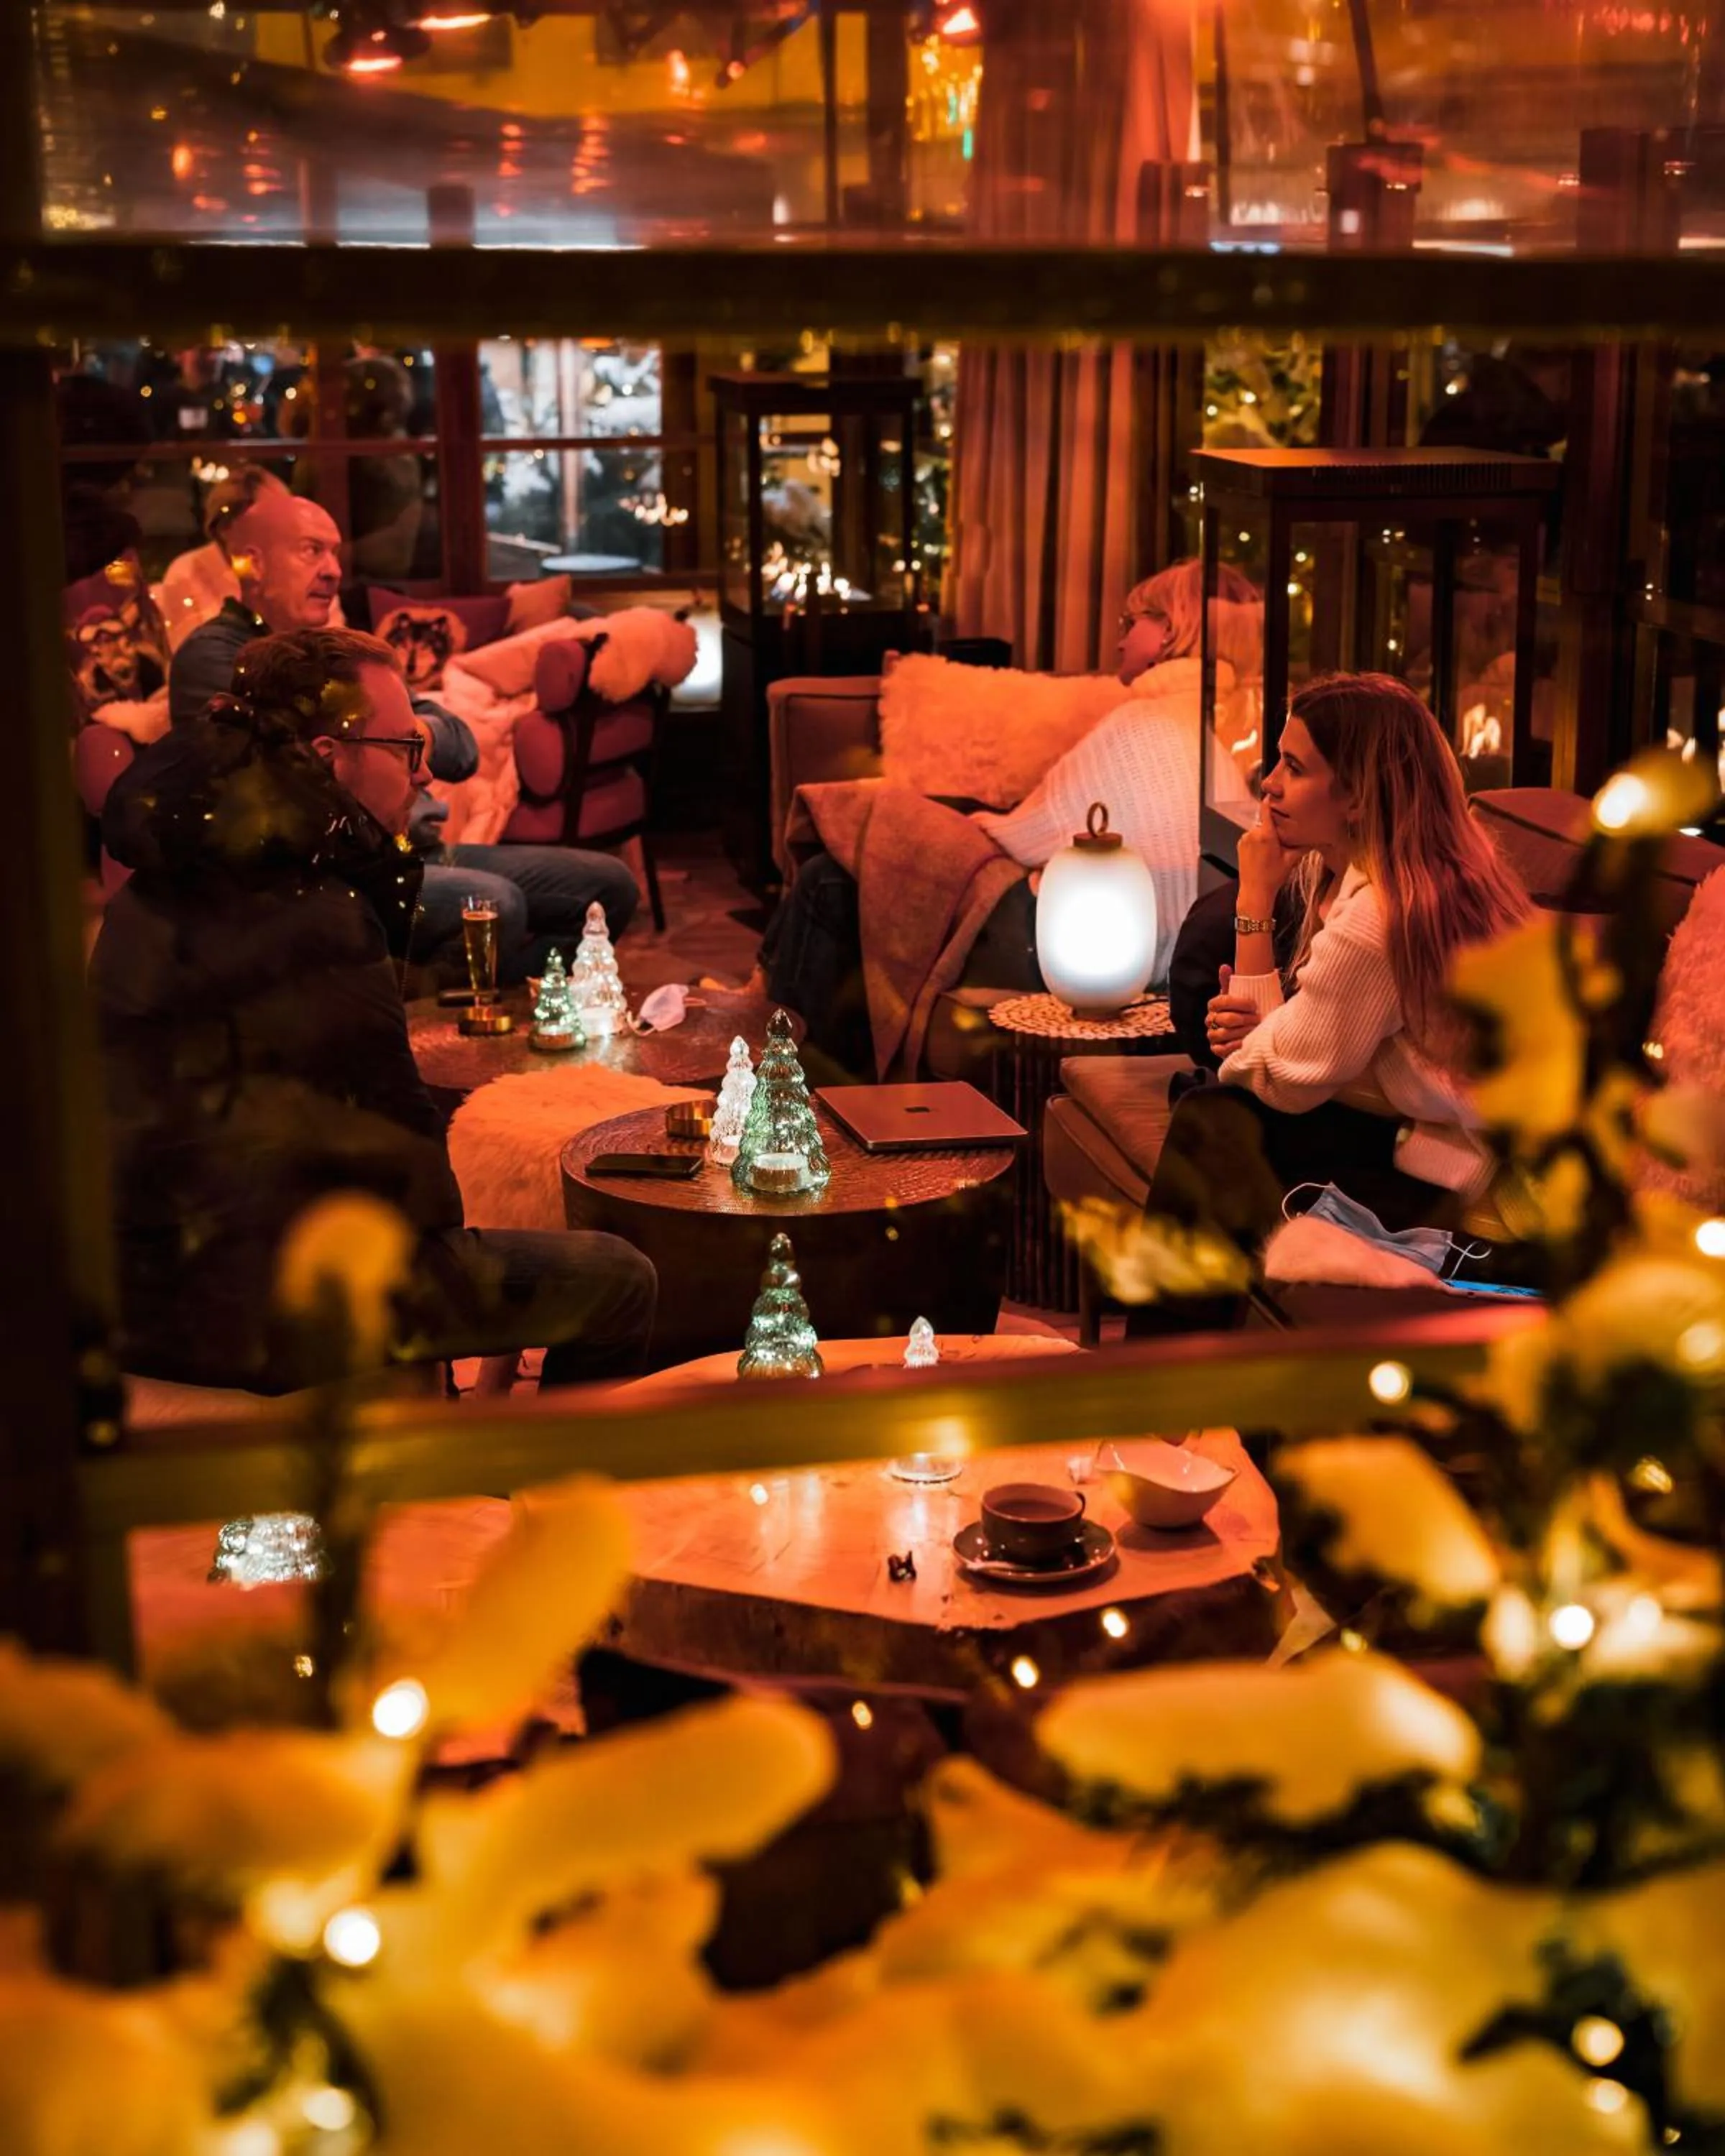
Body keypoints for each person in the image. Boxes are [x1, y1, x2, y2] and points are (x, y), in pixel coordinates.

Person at [91, 626, 656, 1393]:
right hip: (249, 1302)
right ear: (330, 757)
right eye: (406, 749)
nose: (426, 778)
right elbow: (412, 1178)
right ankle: (531, 1490)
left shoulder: (192, 860)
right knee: (619, 1276)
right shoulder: (308, 907)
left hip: (147, 1275)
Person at [1132, 671, 1530, 1328]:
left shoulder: (1383, 918)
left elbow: (1275, 1078)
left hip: (1459, 1184)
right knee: (1217, 1111)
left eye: (1294, 767)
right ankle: (1171, 1377)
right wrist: (1262, 1041)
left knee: (1214, 1122)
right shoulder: (1403, 872)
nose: (1269, 784)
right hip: (1422, 1139)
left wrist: (1254, 900)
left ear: (1355, 795)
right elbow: (1273, 1052)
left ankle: (1159, 1378)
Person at [759, 559, 1261, 1074]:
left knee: (832, 878)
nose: (1118, 640)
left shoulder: (1142, 722)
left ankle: (779, 1079)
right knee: (850, 871)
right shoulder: (1215, 723)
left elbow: (1025, 837)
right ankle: (808, 1063)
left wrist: (964, 822)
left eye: (1130, 623)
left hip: (1088, 957)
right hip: (1157, 955)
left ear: (1168, 632)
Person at [167, 485, 639, 981]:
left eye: (334, 552)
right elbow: (292, 774)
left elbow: (460, 746)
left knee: (608, 887)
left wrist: (400, 738)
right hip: (322, 874)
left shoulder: (341, 652)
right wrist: (391, 736)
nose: (333, 569)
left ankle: (502, 1006)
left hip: (415, 847)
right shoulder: (217, 655)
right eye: (311, 551)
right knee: (494, 905)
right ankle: (425, 1016)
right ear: (252, 564)